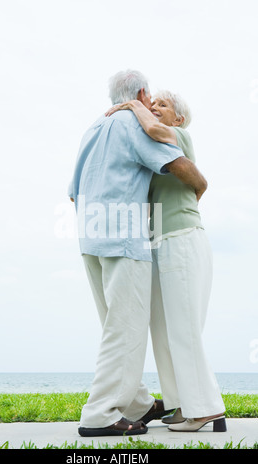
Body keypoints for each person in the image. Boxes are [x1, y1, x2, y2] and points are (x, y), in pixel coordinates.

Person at [68, 70, 208, 437]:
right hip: (124, 239)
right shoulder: (133, 124)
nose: (153, 107)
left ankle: (138, 403)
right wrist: (199, 186)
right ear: (142, 94)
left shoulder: (93, 129)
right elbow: (176, 164)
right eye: (152, 100)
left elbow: (72, 192)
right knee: (126, 328)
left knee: (112, 324)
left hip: (90, 238)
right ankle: (99, 412)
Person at [105, 90, 226, 432]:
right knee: (164, 332)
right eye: (151, 103)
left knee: (185, 329)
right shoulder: (155, 153)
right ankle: (180, 404)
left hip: (182, 239)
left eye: (163, 105)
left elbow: (157, 132)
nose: (154, 108)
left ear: (179, 119)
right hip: (159, 244)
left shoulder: (178, 136)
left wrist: (132, 105)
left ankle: (205, 408)